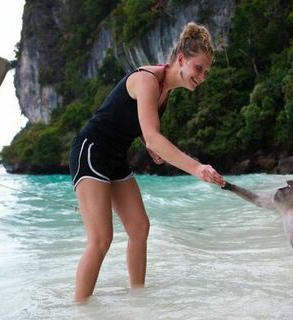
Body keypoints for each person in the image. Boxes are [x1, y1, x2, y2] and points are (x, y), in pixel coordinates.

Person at [69, 22, 225, 302]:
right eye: (198, 68)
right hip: (91, 150)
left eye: (206, 72)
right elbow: (153, 137)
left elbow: (136, 121)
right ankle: (79, 310)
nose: (202, 76)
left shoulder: (165, 90)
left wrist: (144, 140)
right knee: (101, 239)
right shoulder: (147, 80)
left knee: (140, 227)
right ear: (181, 59)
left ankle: (139, 302)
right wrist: (196, 168)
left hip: (116, 157)